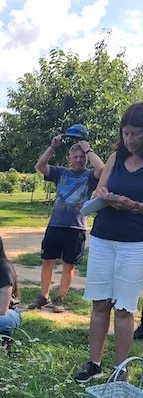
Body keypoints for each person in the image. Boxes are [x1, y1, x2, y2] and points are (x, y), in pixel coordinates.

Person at [73, 103, 143, 383]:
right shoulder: (115, 157)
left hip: (134, 243)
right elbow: (99, 188)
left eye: (136, 133)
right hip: (103, 238)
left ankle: (120, 369)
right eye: (126, 133)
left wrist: (134, 206)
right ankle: (94, 363)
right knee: (100, 303)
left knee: (124, 308)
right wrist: (103, 194)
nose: (130, 139)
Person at [29, 135, 104, 312]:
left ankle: (60, 299)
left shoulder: (89, 176)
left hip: (76, 228)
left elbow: (102, 168)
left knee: (68, 265)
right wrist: (52, 146)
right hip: (55, 225)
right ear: (69, 158)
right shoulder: (61, 172)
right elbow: (40, 166)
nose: (79, 160)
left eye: (82, 157)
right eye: (75, 157)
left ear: (86, 158)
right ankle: (44, 296)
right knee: (47, 261)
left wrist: (88, 149)